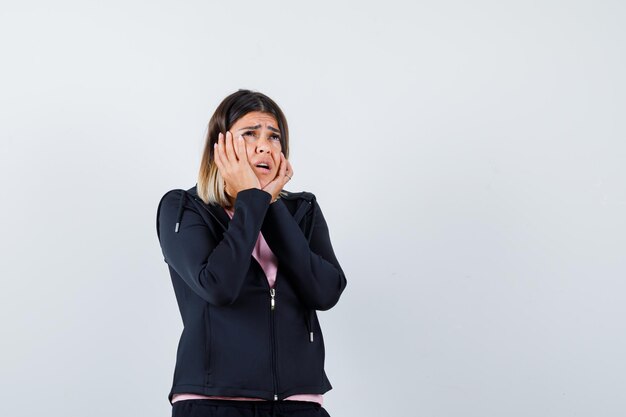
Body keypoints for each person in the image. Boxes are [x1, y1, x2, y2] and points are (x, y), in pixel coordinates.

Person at [156, 89, 347, 417]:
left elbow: (325, 292)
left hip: (299, 403)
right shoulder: (183, 208)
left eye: (274, 136)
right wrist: (251, 201)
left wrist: (268, 204)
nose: (265, 145)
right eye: (249, 134)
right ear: (221, 146)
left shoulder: (302, 209)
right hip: (213, 402)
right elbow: (218, 286)